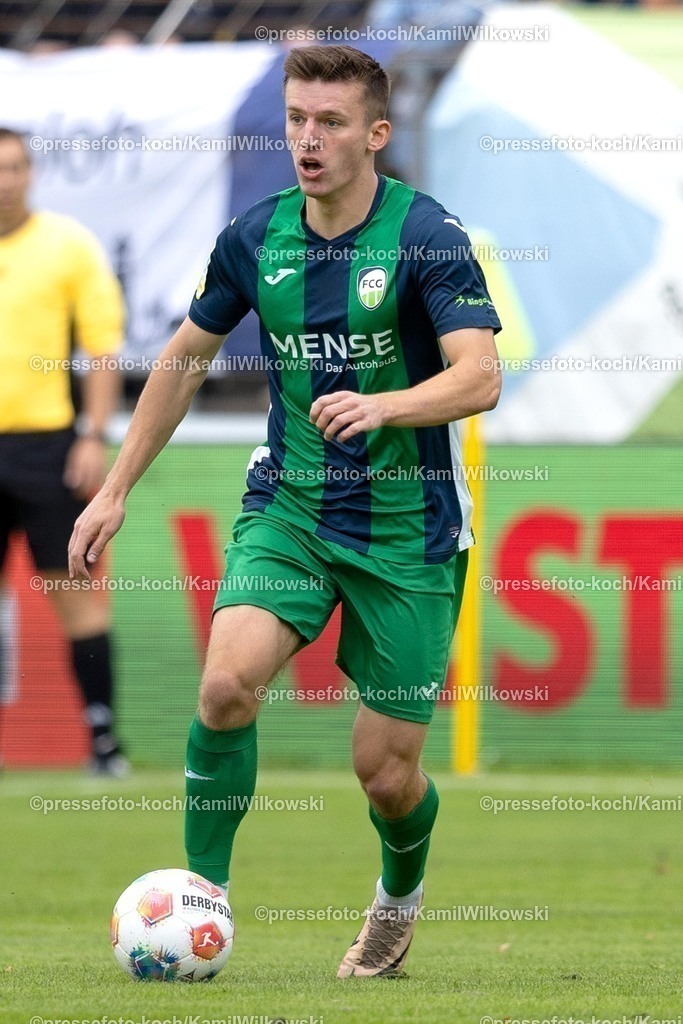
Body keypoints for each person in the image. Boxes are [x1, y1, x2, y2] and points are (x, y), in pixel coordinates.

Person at [68, 45, 502, 975]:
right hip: (292, 509)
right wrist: (114, 486)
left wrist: (386, 404)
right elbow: (184, 358)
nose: (307, 138)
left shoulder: (424, 235)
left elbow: (480, 374)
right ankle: (200, 905)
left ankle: (396, 899)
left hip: (407, 529)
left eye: (331, 122)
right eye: (297, 119)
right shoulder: (255, 236)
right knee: (225, 686)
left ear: (375, 135)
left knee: (384, 775)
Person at [0, 127, 128, 776]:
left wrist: (92, 433)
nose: (5, 180)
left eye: (15, 167)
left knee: (74, 594)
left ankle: (103, 741)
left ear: (32, 173)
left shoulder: (66, 245)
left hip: (46, 446)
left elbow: (102, 348)